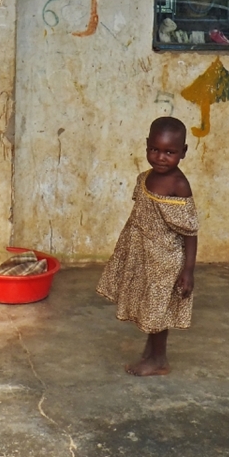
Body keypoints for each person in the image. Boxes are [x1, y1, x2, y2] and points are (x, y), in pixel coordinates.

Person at [96, 117, 198, 376]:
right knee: (148, 304)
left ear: (183, 152)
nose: (161, 157)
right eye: (155, 149)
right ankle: (152, 351)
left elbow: (190, 232)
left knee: (157, 309)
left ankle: (159, 360)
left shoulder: (178, 185)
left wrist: (188, 270)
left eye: (170, 152)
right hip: (145, 255)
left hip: (165, 260)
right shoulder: (145, 178)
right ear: (146, 146)